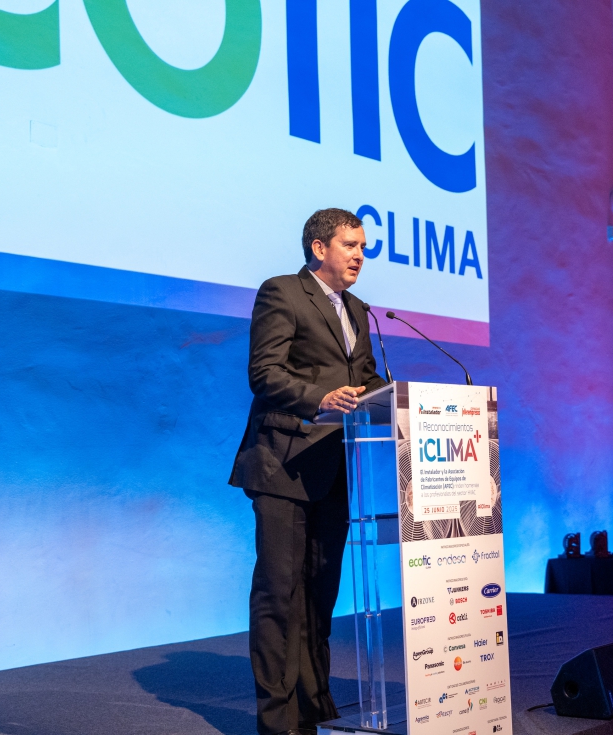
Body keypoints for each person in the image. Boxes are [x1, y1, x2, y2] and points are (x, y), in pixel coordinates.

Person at [229, 208, 388, 735]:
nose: (360, 255)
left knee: (320, 593)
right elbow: (264, 373)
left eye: (363, 247)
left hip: (333, 467)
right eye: (350, 245)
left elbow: (365, 380)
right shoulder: (282, 292)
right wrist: (319, 397)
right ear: (319, 248)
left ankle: (312, 705)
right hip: (283, 462)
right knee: (279, 593)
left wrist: (397, 398)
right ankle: (279, 721)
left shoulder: (358, 309)